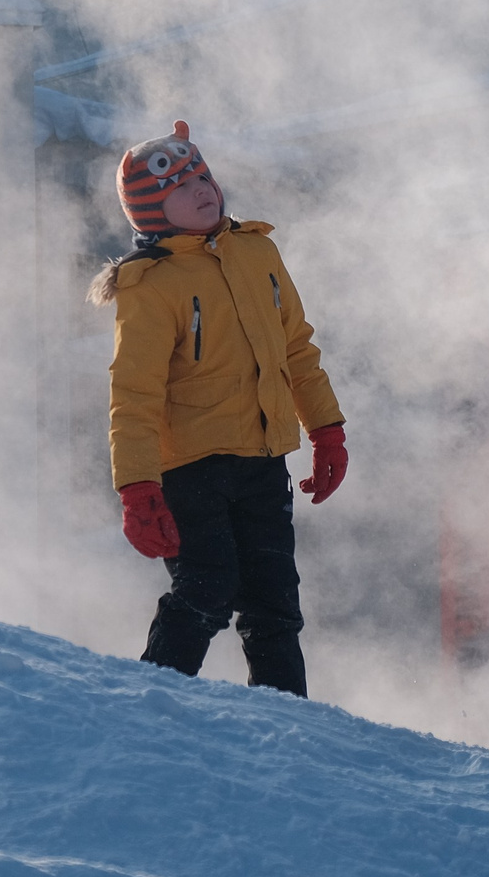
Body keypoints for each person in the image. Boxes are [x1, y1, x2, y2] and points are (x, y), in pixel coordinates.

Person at [90, 120, 347, 697]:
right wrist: (137, 488)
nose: (201, 188)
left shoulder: (258, 251)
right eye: (180, 186)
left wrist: (326, 430)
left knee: (274, 601)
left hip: (261, 460)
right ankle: (154, 699)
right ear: (150, 212)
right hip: (188, 469)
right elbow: (133, 393)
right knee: (207, 586)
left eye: (202, 174)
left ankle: (289, 720)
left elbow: (296, 349)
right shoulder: (150, 285)